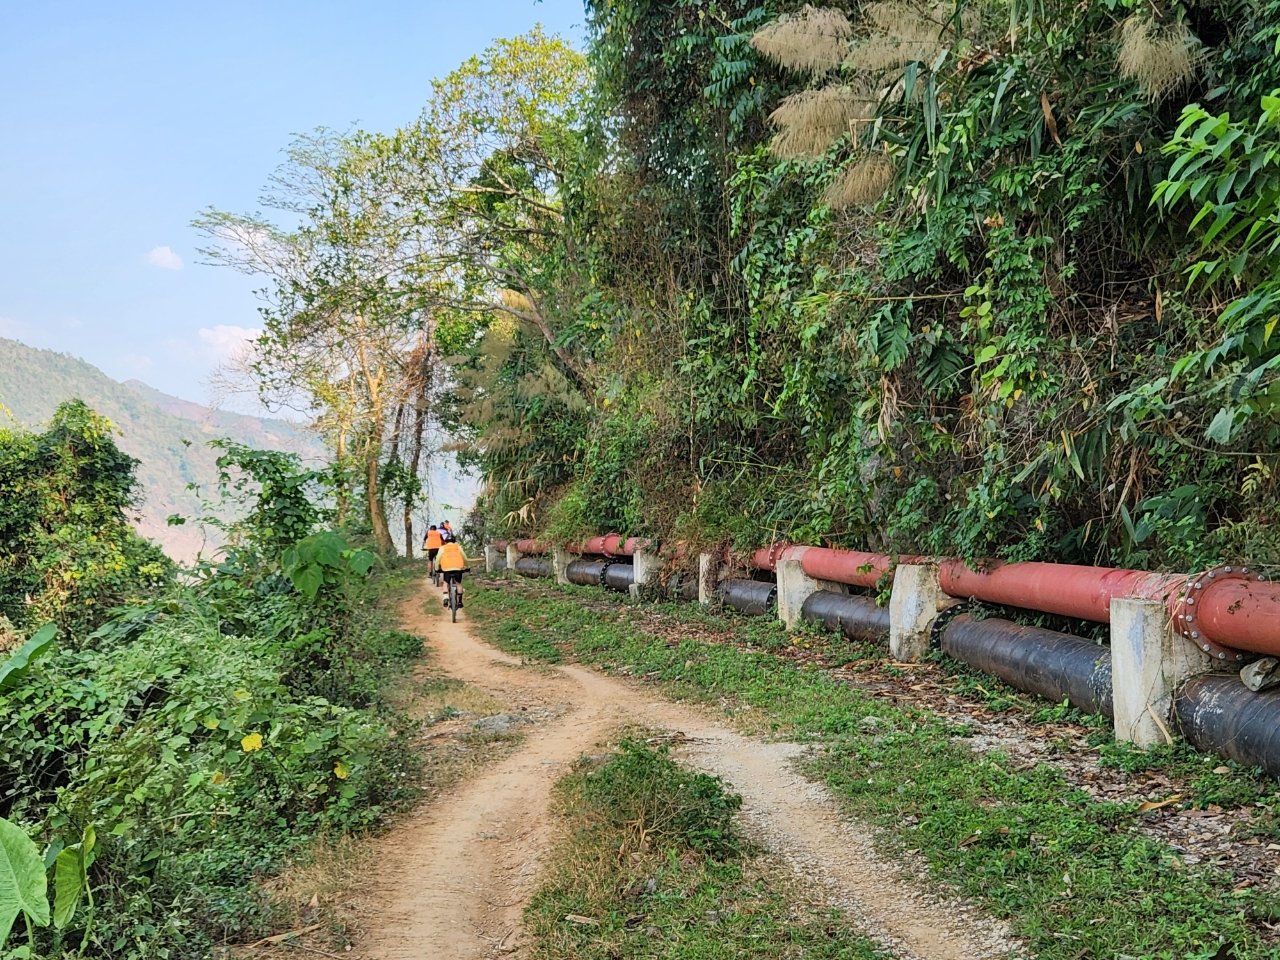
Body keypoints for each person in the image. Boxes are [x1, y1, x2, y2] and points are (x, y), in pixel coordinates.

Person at [436, 538, 467, 609]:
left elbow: (438, 559)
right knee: (458, 583)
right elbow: (464, 558)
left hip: (446, 568)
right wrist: (467, 566)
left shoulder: (442, 548)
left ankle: (446, 597)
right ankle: (459, 601)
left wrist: (437, 568)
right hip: (458, 567)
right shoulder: (458, 547)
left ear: (446, 542)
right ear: (454, 542)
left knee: (445, 583)